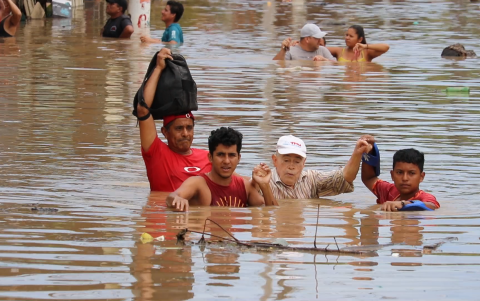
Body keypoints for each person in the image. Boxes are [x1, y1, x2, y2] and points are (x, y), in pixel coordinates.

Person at [136, 48, 211, 192]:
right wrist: (158, 68)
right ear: (165, 132)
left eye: (189, 128)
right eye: (179, 128)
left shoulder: (209, 157)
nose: (185, 133)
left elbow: (233, 184)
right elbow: (143, 109)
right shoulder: (156, 153)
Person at [166, 127, 278, 211]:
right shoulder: (198, 184)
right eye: (220, 155)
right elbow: (172, 196)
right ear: (210, 157)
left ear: (239, 158)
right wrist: (177, 200)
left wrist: (264, 185)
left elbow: (272, 212)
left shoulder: (245, 186)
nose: (226, 161)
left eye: (232, 155)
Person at [267, 135, 373, 199]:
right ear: (275, 160)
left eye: (297, 161)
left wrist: (358, 153)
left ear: (304, 163)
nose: (291, 166)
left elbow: (345, 177)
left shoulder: (311, 179)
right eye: (286, 160)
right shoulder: (263, 182)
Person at [362, 144, 440, 211]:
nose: (405, 178)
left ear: (421, 177)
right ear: (392, 175)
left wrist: (403, 204)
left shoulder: (424, 197)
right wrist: (370, 151)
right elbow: (369, 178)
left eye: (411, 173)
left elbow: (431, 206)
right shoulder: (389, 191)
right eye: (399, 172)